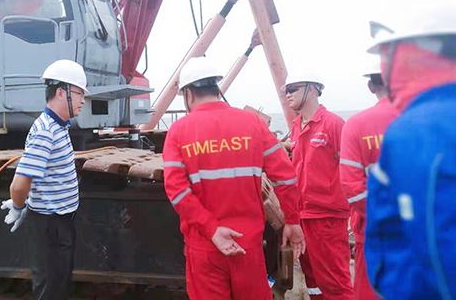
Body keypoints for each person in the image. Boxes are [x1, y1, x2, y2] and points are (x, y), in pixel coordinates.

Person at [162, 56, 306, 300]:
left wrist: (212, 229)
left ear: (188, 94)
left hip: (205, 246)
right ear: (216, 87)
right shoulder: (252, 123)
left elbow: (177, 191)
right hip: (247, 245)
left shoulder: (179, 131)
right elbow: (285, 177)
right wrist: (292, 221)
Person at [365, 5, 456, 299]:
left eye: (386, 55)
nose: (384, 69)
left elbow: (442, 253)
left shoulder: (415, 133)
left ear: (409, 54)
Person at [1, 59, 88, 300]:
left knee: (58, 286)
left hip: (60, 224)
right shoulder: (46, 131)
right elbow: (19, 184)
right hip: (51, 227)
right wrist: (18, 207)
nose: (83, 100)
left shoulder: (60, 127)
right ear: (61, 93)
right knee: (50, 290)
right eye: (80, 93)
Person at [282, 72, 354, 300]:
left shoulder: (333, 124)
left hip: (327, 219)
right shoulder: (296, 125)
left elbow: (352, 169)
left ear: (312, 89)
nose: (287, 94)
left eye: (292, 88)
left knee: (335, 284)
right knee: (312, 281)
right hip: (301, 217)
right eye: (286, 90)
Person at [339, 59, 399, 300]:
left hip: (374, 234)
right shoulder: (424, 119)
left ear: (370, 86)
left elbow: (352, 189)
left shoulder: (356, 124)